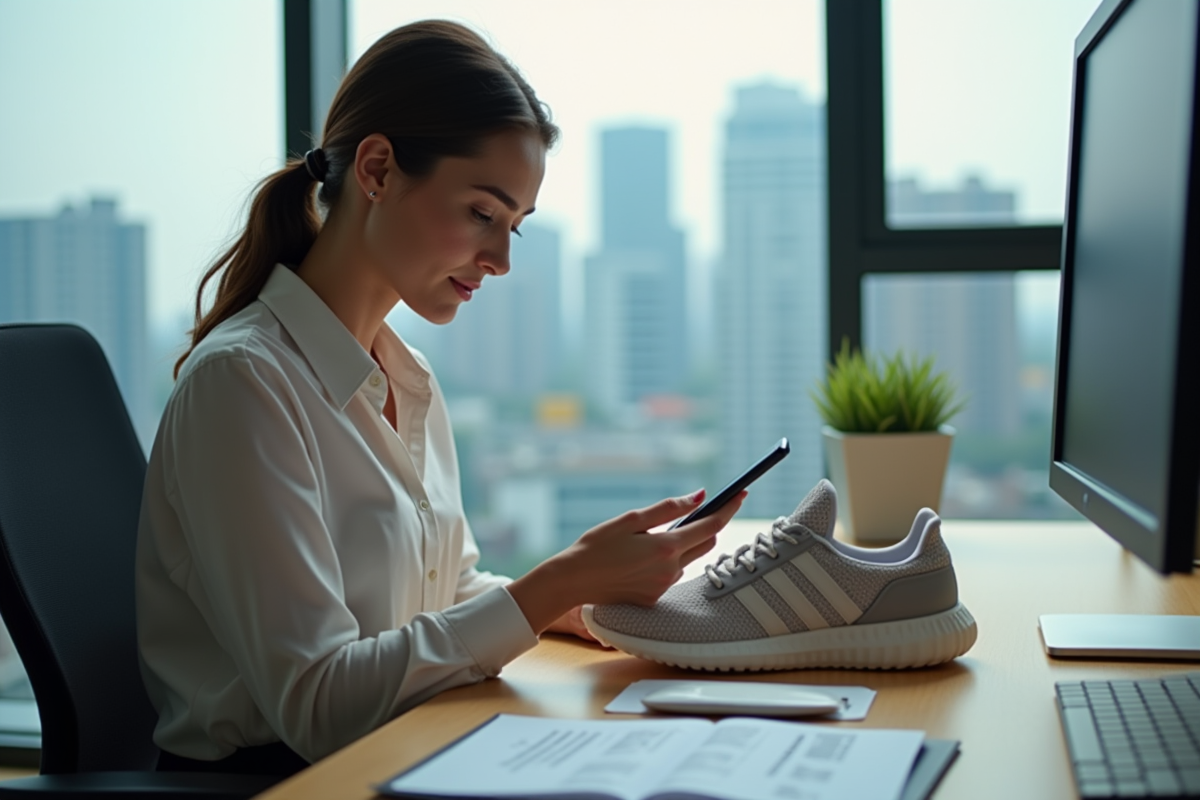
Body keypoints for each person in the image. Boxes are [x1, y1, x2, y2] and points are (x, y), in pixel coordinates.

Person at [135, 20, 744, 779]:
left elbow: (445, 592)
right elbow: (318, 707)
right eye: (482, 214)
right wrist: (555, 583)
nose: (502, 259)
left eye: (515, 226)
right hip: (286, 781)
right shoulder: (242, 385)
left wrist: (589, 600)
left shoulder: (408, 377)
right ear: (378, 170)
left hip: (409, 749)